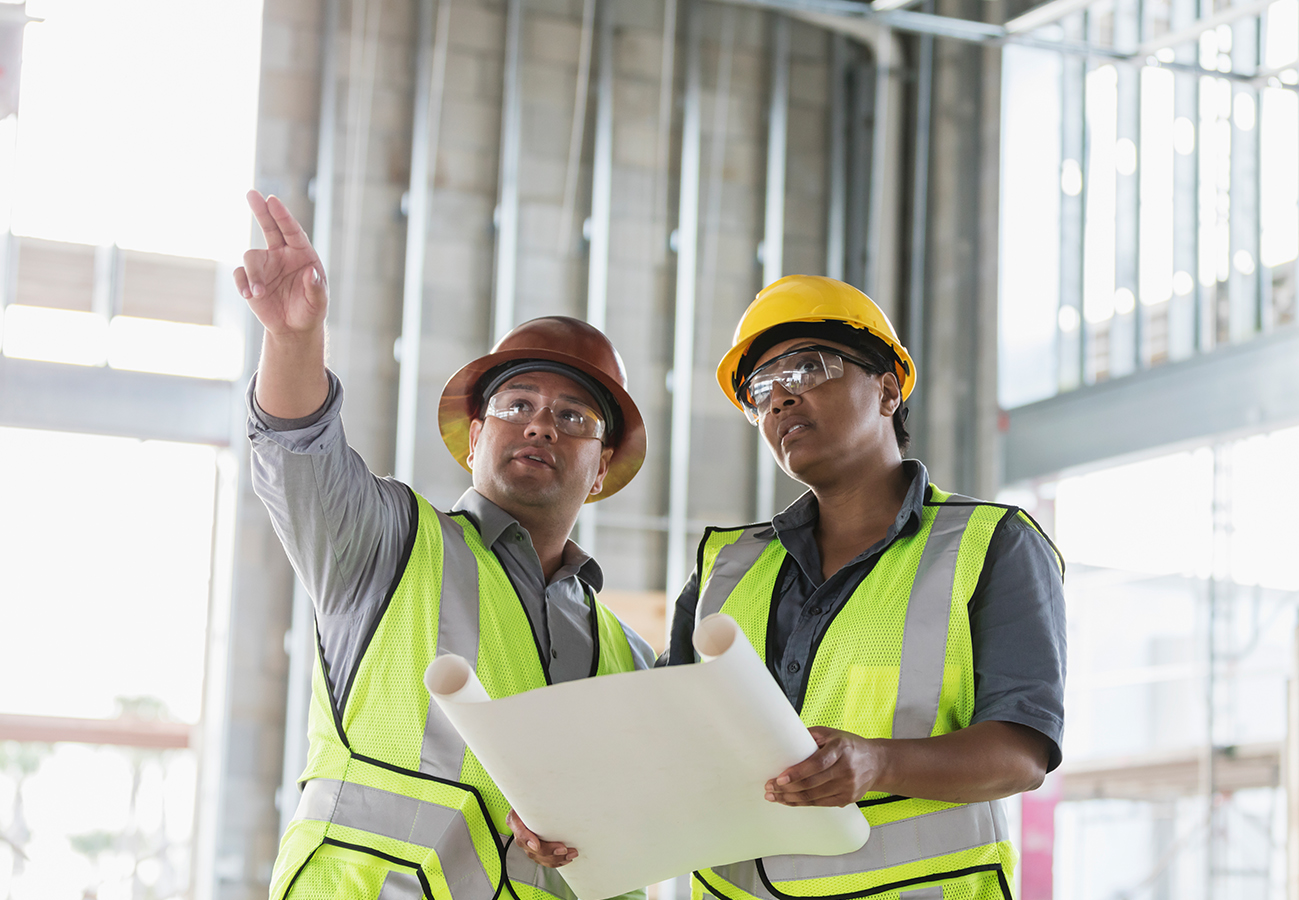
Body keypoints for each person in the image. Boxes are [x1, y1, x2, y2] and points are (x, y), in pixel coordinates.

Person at [236, 190, 655, 899]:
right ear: (474, 441)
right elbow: (298, 450)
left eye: (572, 415)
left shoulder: (631, 661)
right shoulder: (385, 546)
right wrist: (293, 340)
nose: (540, 425)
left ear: (602, 468)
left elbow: (641, 834)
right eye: (516, 405)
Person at [667, 274, 1066, 900]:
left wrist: (877, 762)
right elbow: (667, 738)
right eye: (761, 389)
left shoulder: (991, 544)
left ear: (886, 391)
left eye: (805, 371)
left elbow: (1021, 754)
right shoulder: (725, 568)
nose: (778, 401)